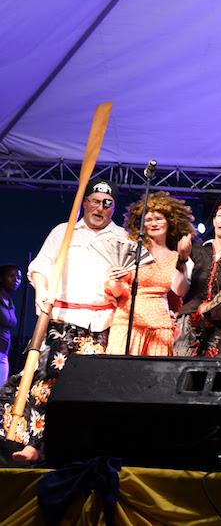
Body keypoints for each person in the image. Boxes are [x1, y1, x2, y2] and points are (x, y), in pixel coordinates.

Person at [0, 178, 127, 464]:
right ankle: (32, 444)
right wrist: (42, 291)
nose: (100, 208)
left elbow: (127, 288)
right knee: (43, 384)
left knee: (86, 390)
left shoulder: (122, 237)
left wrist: (118, 286)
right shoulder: (65, 231)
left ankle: (75, 450)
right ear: (84, 203)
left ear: (113, 207)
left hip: (100, 325)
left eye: (107, 203)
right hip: (61, 321)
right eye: (94, 201)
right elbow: (41, 267)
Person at [105, 191, 194, 356]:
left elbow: (179, 290)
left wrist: (182, 258)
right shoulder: (132, 250)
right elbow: (117, 292)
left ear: (170, 222)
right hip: (128, 323)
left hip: (159, 327)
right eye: (148, 220)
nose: (153, 223)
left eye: (158, 218)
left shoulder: (175, 256)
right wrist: (114, 280)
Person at [173, 200, 221, 358]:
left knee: (213, 376)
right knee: (181, 368)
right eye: (220, 216)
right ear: (214, 221)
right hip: (190, 320)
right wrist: (182, 258)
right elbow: (178, 289)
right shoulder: (197, 250)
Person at [0, 265, 22, 386]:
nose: (16, 280)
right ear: (1, 278)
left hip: (3, 354)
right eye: (11, 276)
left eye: (18, 277)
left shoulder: (10, 303)